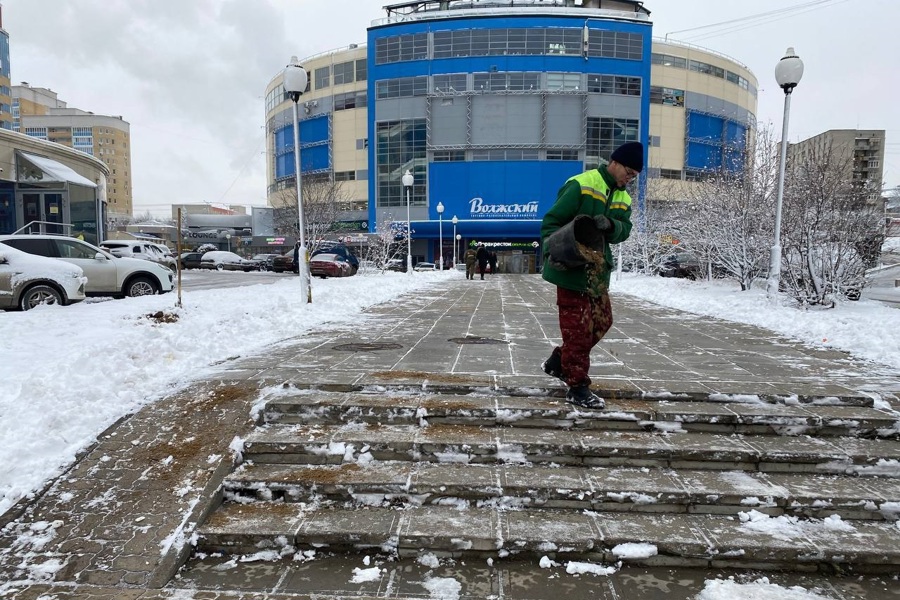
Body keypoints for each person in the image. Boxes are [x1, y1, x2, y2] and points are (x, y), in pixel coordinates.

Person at [540, 141, 642, 409]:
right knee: (578, 331)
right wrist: (554, 254)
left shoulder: (623, 197)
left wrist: (612, 225)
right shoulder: (582, 184)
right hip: (572, 269)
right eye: (628, 171)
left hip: (597, 271)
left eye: (634, 175)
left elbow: (625, 231)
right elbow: (551, 222)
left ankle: (558, 361)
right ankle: (577, 386)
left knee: (602, 321)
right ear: (615, 162)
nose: (630, 178)